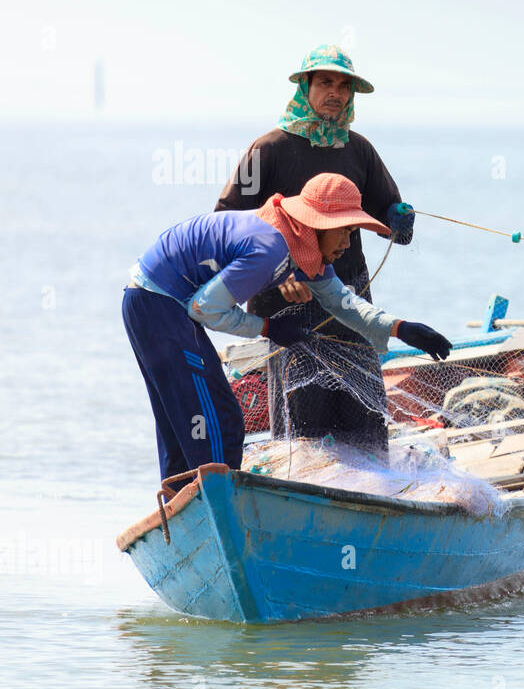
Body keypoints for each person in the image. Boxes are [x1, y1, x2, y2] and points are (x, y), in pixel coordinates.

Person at [124, 173, 451, 481]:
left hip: (152, 304)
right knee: (217, 421)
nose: (349, 244)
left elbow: (342, 303)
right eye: (345, 231)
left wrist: (401, 328)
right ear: (318, 224)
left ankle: (181, 504)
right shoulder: (270, 248)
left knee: (182, 420)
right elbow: (205, 308)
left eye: (353, 234)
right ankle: (214, 505)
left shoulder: (302, 246)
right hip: (160, 304)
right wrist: (267, 327)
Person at [215, 44, 415, 453]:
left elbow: (393, 224)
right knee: (300, 425)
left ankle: (370, 496)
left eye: (344, 85)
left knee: (366, 420)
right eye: (325, 82)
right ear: (304, 86)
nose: (336, 92)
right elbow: (226, 225)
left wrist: (399, 217)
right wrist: (275, 277)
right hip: (285, 300)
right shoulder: (267, 149)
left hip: (348, 295)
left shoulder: (358, 150)